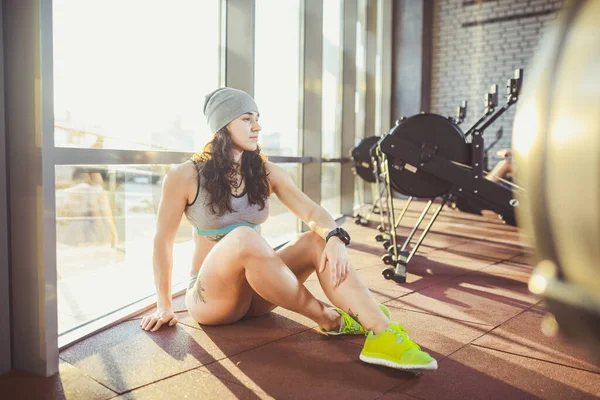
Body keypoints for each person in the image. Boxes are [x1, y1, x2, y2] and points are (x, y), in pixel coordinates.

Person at [140, 87, 437, 371]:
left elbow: (310, 210)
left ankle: (381, 333)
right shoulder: (185, 175)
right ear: (222, 125)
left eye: (257, 119)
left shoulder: (264, 171)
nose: (256, 127)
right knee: (243, 236)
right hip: (213, 301)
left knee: (315, 241)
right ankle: (329, 319)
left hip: (260, 295)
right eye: (246, 119)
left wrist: (334, 236)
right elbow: (162, 242)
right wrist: (164, 304)